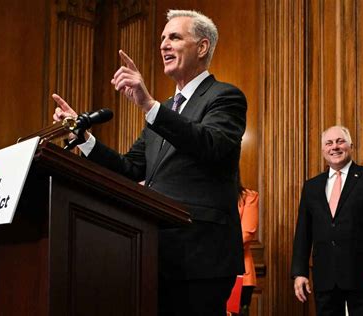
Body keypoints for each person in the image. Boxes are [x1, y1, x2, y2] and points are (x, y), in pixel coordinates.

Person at [52, 9, 247, 316]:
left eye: (175, 37)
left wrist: (149, 105)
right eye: (162, 39)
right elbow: (130, 169)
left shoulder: (225, 97)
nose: (164, 45)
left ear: (202, 47)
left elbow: (212, 146)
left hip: (200, 255)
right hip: (154, 250)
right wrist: (84, 138)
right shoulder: (165, 110)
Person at [291, 125, 363, 316]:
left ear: (351, 145)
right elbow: (303, 232)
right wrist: (300, 272)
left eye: (340, 141)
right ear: (323, 150)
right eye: (329, 143)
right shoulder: (311, 186)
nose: (335, 147)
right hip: (325, 275)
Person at [238, 185, 259, 316]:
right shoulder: (206, 194)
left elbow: (245, 235)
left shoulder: (248, 196)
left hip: (240, 275)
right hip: (206, 272)